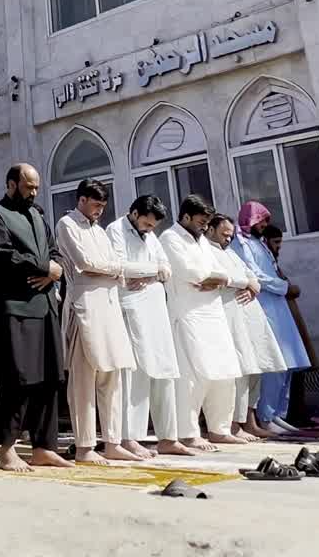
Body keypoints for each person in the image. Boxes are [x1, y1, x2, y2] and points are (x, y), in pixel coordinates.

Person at [0, 163, 68, 473]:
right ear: (12, 184)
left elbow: (54, 253)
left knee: (49, 378)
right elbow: (5, 256)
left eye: (36, 188)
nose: (33, 193)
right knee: (17, 379)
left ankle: (43, 447)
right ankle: (6, 449)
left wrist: (53, 271)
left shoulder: (38, 215)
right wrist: (44, 269)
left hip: (44, 306)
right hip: (15, 308)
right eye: (28, 187)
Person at [55, 179, 138, 464]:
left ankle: (112, 441)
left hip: (109, 306)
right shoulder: (67, 225)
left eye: (103, 206)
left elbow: (113, 264)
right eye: (95, 204)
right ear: (81, 200)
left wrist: (112, 269)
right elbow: (84, 262)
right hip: (84, 307)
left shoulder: (100, 232)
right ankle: (85, 446)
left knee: (111, 375)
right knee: (83, 379)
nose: (99, 211)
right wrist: (114, 269)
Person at [158, 196, 239, 452]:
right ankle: (189, 433)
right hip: (187, 314)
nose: (205, 227)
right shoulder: (170, 239)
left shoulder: (203, 240)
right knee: (192, 377)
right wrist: (210, 278)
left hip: (213, 313)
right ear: (185, 217)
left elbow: (223, 273)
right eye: (201, 222)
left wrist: (213, 279)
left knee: (225, 373)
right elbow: (192, 274)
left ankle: (220, 429)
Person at [108, 195, 185, 457]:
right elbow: (120, 266)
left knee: (164, 371)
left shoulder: (151, 237)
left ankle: (168, 437)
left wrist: (149, 273)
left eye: (153, 226)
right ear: (134, 213)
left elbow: (167, 269)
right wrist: (153, 272)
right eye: (146, 224)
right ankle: (130, 437)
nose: (149, 229)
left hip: (155, 308)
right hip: (131, 308)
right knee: (136, 374)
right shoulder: (115, 230)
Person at [205, 214, 284, 440]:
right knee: (239, 369)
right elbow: (222, 279)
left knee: (255, 367)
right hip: (230, 314)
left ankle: (250, 420)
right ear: (210, 230)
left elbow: (253, 279)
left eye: (231, 235)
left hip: (250, 316)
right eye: (224, 234)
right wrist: (245, 283)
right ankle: (233, 424)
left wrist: (252, 287)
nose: (228, 239)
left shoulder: (230, 252)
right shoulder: (205, 250)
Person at [232, 203, 309, 435]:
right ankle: (265, 416)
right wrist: (284, 287)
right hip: (264, 306)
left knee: (288, 364)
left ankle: (278, 414)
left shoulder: (259, 242)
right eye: (261, 221)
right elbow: (257, 276)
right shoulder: (240, 243)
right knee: (273, 364)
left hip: (278, 306)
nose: (264, 225)